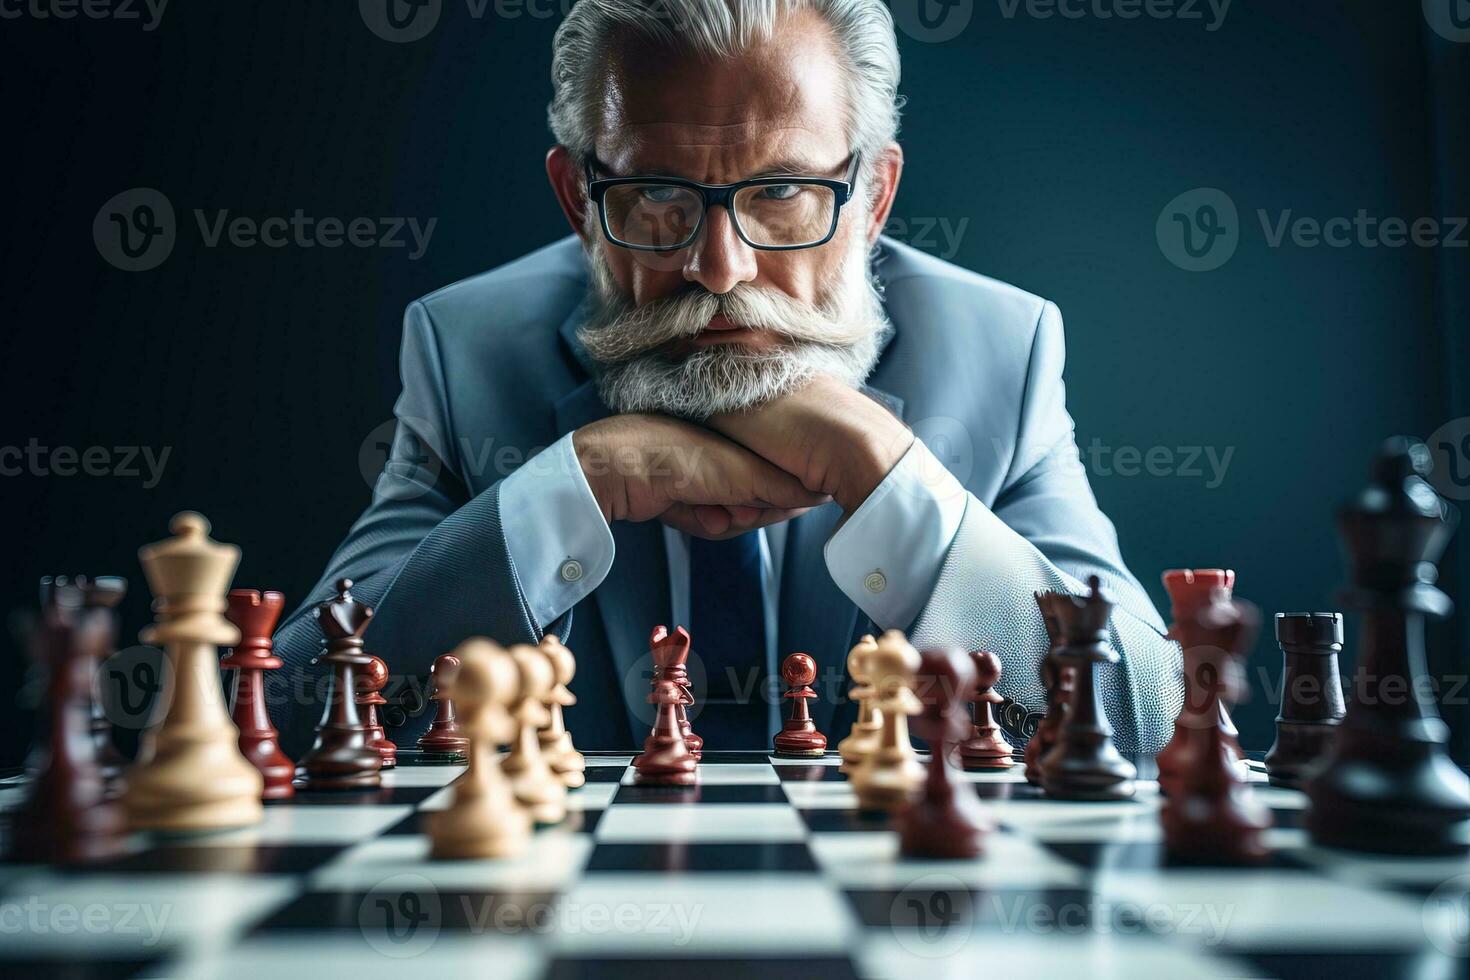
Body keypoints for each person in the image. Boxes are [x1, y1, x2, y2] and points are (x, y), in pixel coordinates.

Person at [274, 0, 1182, 755]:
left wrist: (887, 474)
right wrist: (574, 483)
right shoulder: (466, 348)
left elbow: (1150, 723)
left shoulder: (999, 351)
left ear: (873, 199)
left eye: (783, 191)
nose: (721, 268)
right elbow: (290, 713)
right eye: (659, 194)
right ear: (577, 201)